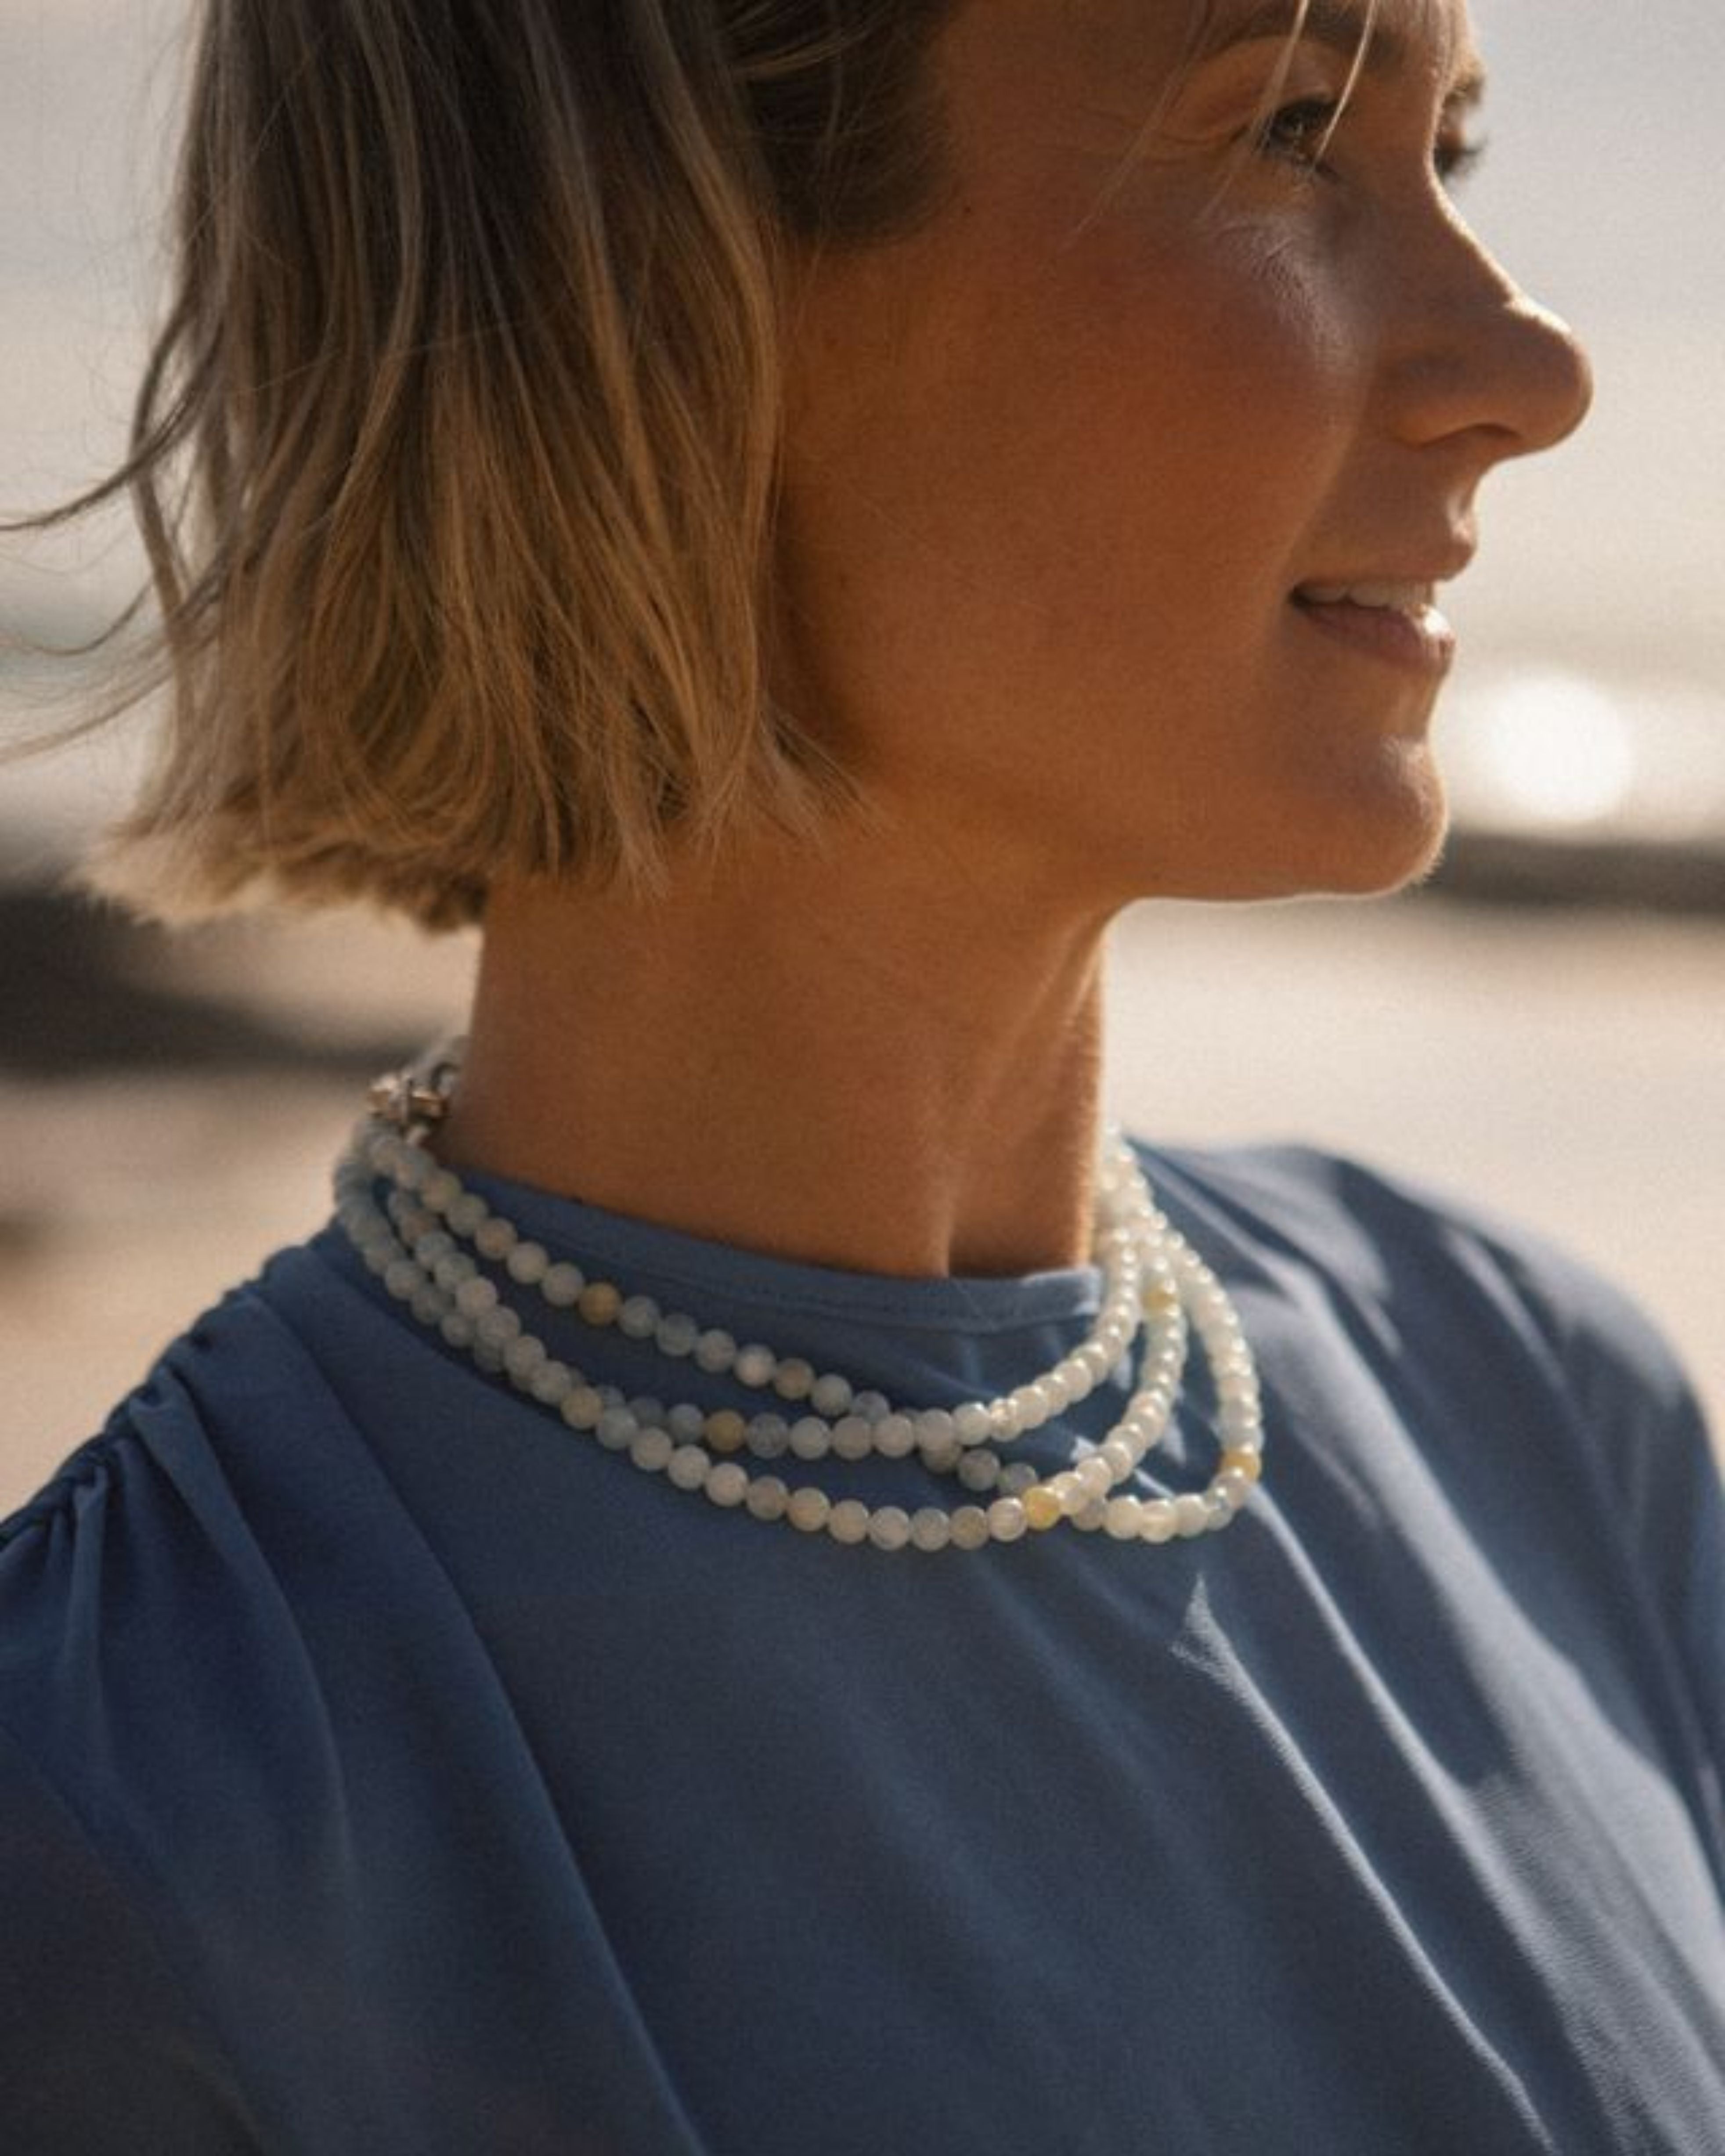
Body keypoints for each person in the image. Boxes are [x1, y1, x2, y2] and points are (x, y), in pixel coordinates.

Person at [2, 0, 1721, 2149]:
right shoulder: (126, 1798)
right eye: (1291, 134)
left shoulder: (1540, 1415)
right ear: (659, 282)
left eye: (1442, 153)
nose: (1535, 375)